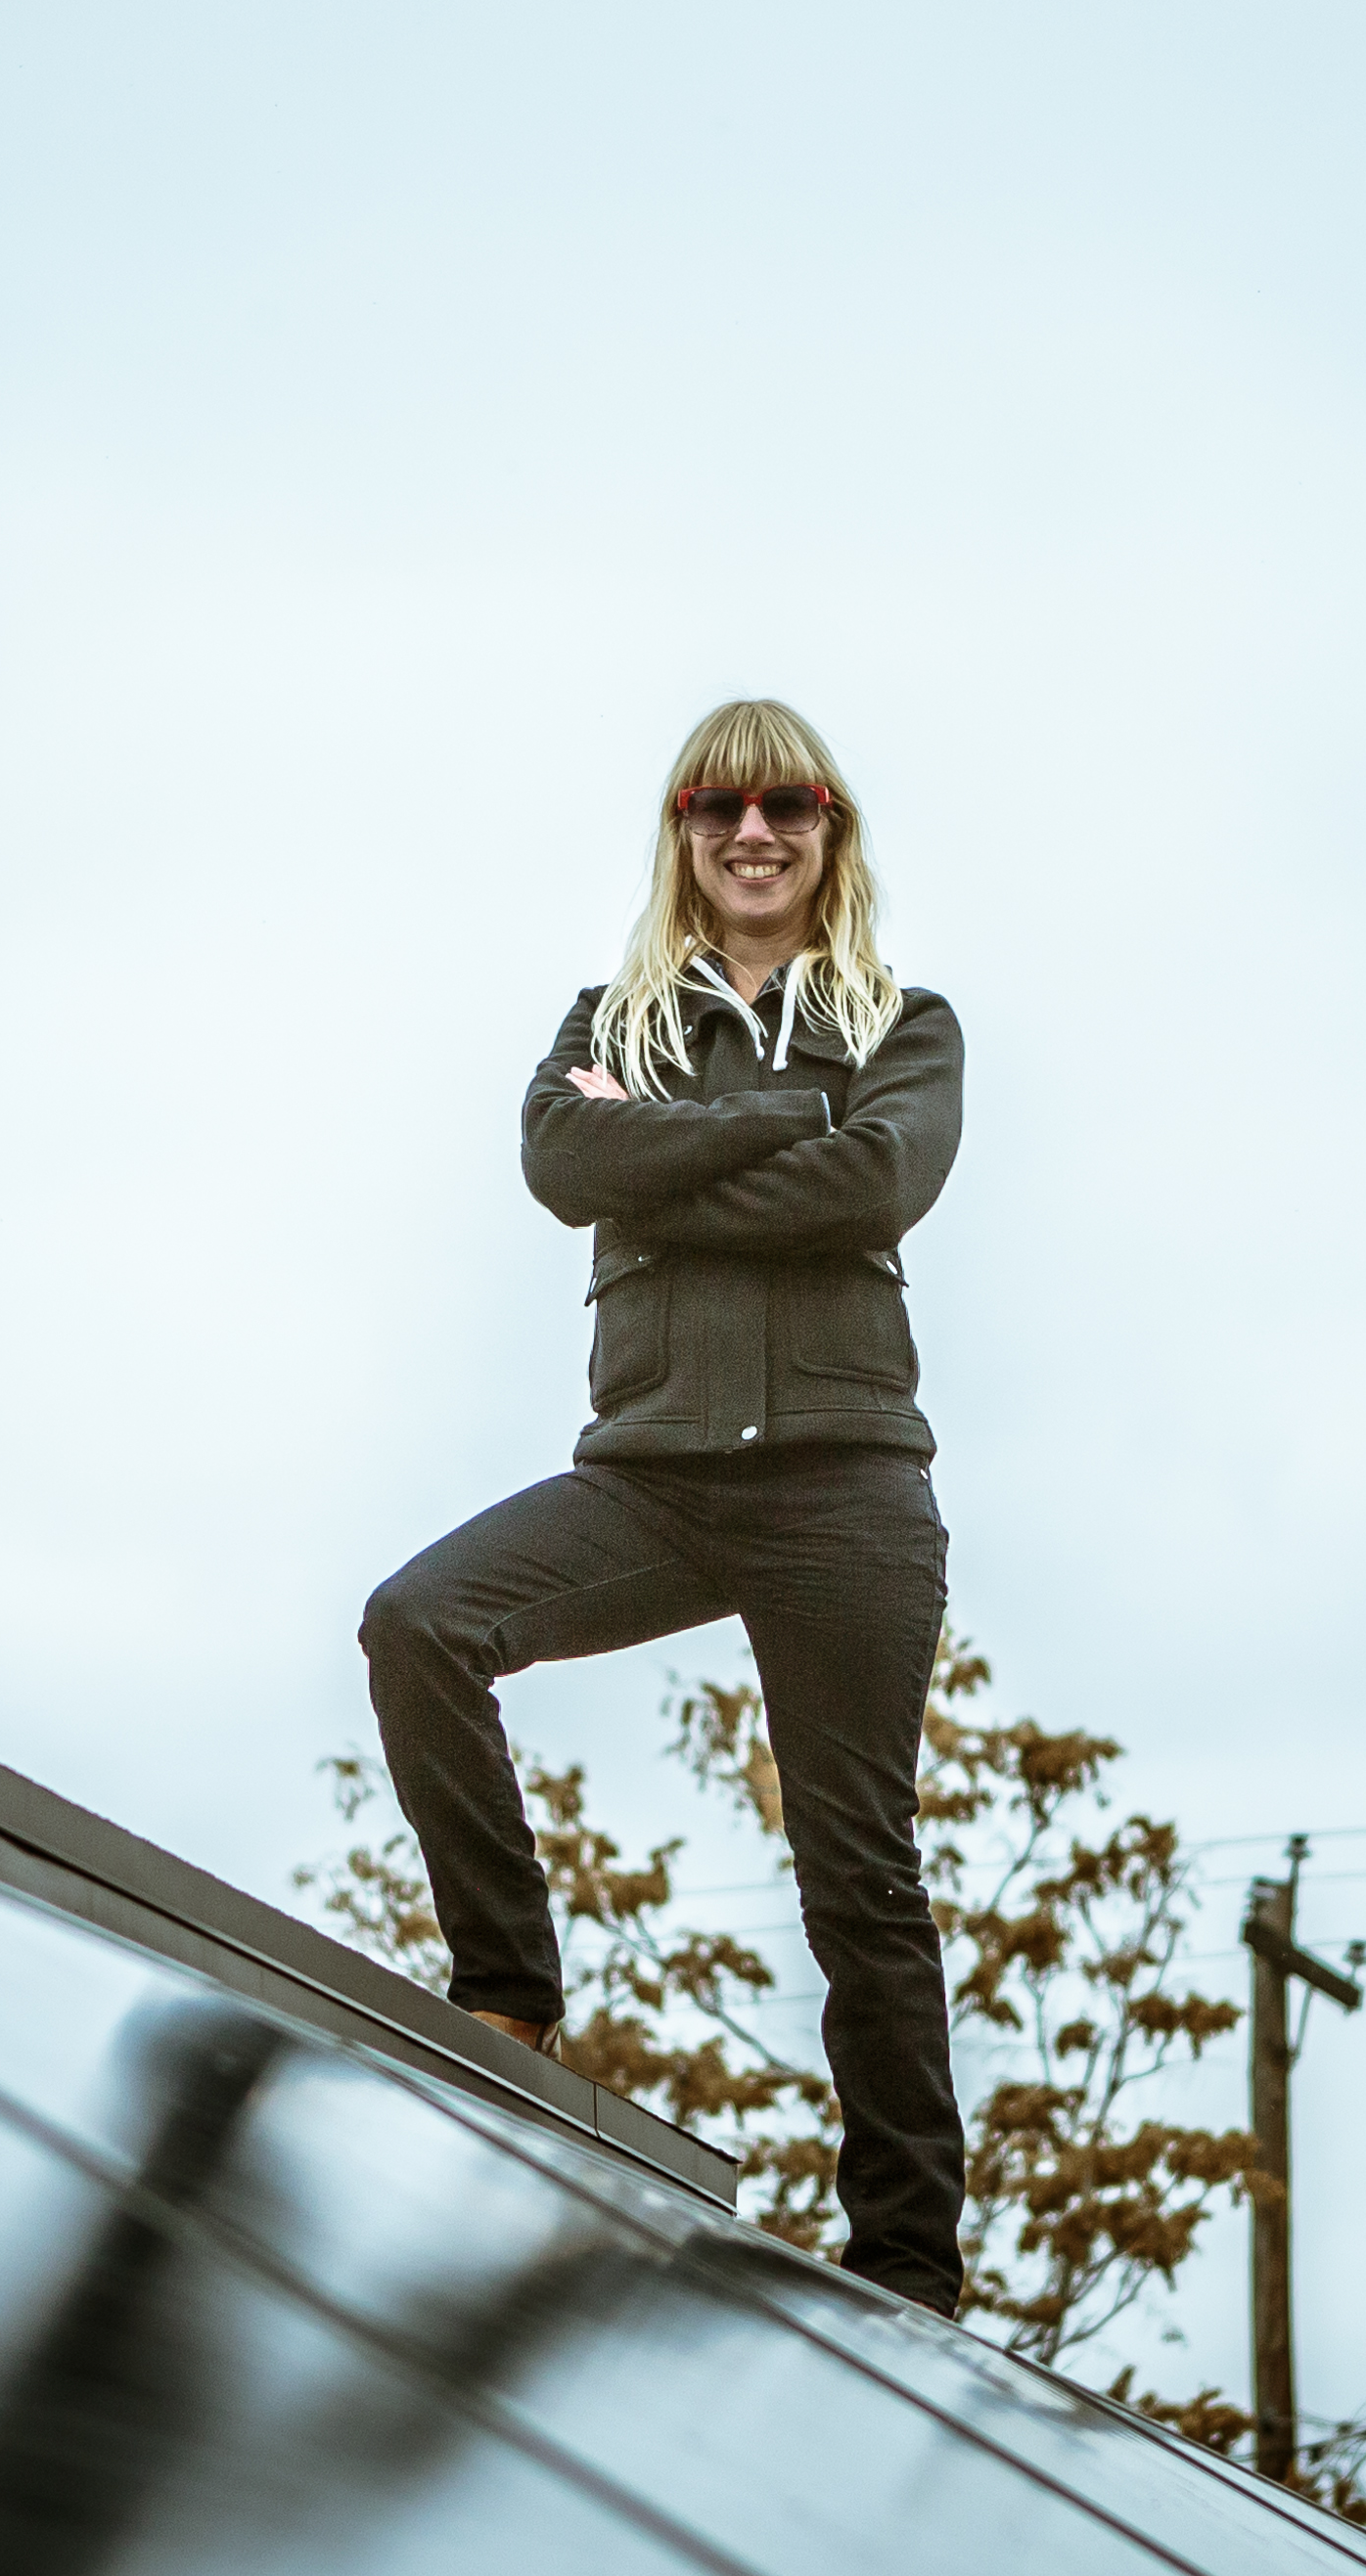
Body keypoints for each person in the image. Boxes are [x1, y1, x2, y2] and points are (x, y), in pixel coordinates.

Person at [359, 699, 970, 2316]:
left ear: (831, 831)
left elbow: (879, 1182)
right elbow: (566, 1161)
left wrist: (681, 1155)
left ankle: (911, 2269)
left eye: (787, 806)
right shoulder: (603, 1020)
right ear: (681, 834)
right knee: (420, 1623)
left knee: (861, 1876)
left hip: (847, 1489)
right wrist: (782, 1131)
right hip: (654, 1481)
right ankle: (504, 1996)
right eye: (717, 805)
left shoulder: (907, 1024)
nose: (751, 834)